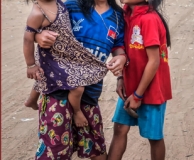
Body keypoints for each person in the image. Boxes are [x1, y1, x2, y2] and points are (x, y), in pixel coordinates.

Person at [34, 0, 127, 159]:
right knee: (54, 151)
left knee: (97, 149)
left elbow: (118, 45)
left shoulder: (118, 16)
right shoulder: (70, 6)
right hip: (59, 92)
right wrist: (38, 35)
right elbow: (38, 26)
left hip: (90, 93)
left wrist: (122, 57)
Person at [24, 0, 108, 128]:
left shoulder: (59, 3)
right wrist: (31, 65)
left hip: (64, 53)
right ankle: (77, 111)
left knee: (44, 76)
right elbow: (28, 38)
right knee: (78, 87)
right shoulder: (37, 13)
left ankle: (31, 100)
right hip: (51, 56)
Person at [108, 0, 172, 159]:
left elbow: (154, 61)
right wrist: (121, 78)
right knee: (120, 130)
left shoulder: (149, 19)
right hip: (130, 86)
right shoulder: (125, 15)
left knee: (154, 137)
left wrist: (138, 95)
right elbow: (122, 51)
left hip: (151, 90)